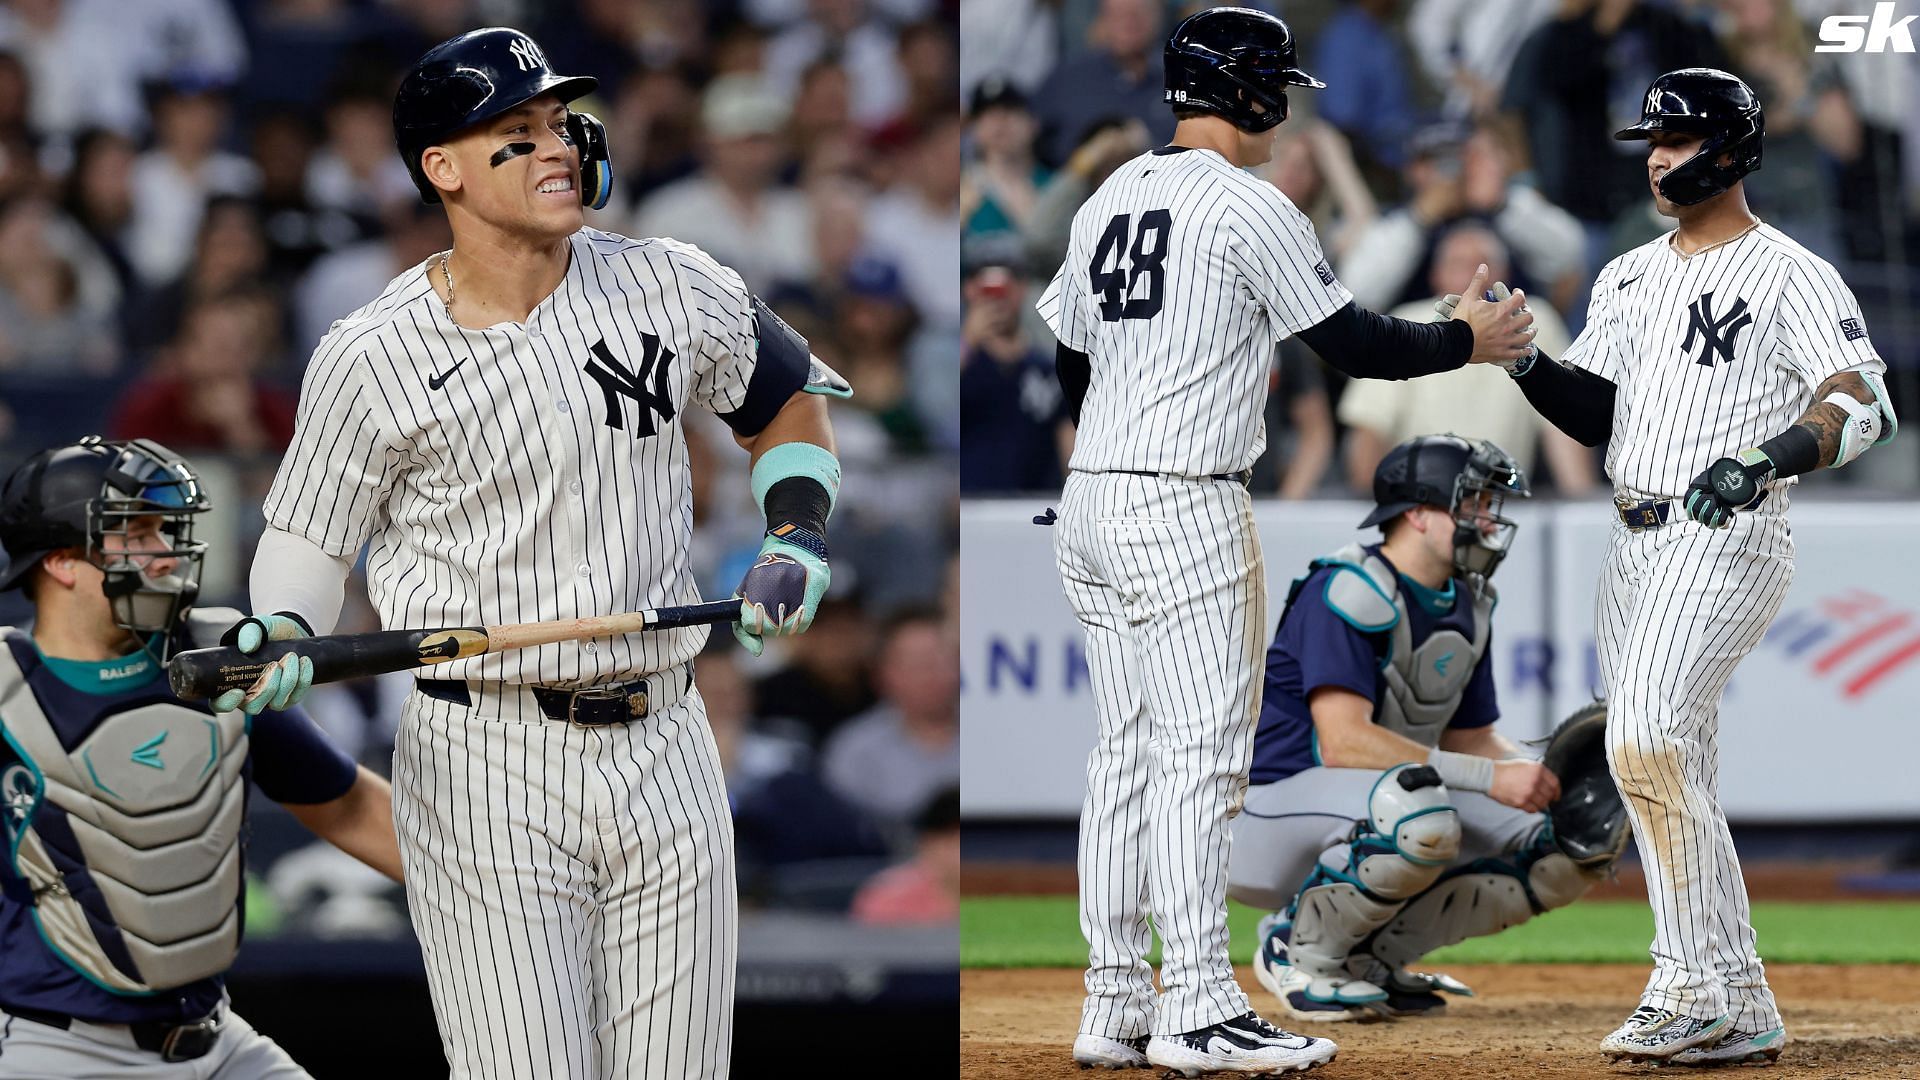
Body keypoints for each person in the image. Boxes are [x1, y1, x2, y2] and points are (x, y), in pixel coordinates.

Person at [213, 27, 850, 1079]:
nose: (558, 147)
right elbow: (309, 536)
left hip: (665, 739)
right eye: (518, 131)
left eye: (560, 123)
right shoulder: (371, 350)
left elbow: (785, 406)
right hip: (482, 754)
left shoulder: (670, 281)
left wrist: (797, 534)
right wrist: (285, 625)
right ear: (442, 168)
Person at [1035, 7, 1536, 1074]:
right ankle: (1200, 1005)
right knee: (1200, 766)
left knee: (1122, 757)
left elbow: (1073, 365)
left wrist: (1104, 459)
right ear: (1249, 91)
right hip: (1182, 499)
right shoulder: (1245, 201)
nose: (1287, 104)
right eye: (1280, 86)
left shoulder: (1108, 194)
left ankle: (1115, 1003)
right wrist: (1469, 338)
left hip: (1094, 496)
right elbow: (1355, 345)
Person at [1503, 68, 1897, 1066]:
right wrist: (1521, 360)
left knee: (1640, 738)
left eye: (1675, 140)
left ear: (1729, 148)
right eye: (1652, 141)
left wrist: (1769, 457)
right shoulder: (1629, 274)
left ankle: (1686, 988)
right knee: (1669, 765)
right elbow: (1599, 415)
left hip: (1727, 532)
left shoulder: (1789, 271)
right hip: (1631, 537)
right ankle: (1740, 995)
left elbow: (1864, 406)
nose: (1659, 157)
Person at [0, 437, 401, 1078]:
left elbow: (347, 807)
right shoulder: (7, 689)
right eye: (136, 533)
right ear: (61, 562)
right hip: (61, 1048)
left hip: (219, 1041)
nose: (165, 552)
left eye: (166, 529)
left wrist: (492, 892)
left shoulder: (212, 659)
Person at [1226, 435, 1626, 1023]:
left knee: (1562, 846)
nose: (1488, 519)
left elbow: (1471, 740)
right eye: (1473, 503)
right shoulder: (1348, 589)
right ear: (1416, 513)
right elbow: (1343, 740)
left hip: (1371, 802)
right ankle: (1298, 949)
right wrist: (1490, 777)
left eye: (1491, 504)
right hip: (1262, 818)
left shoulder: (1467, 600)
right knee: (1420, 811)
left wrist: (1541, 783)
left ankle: (1366, 956)